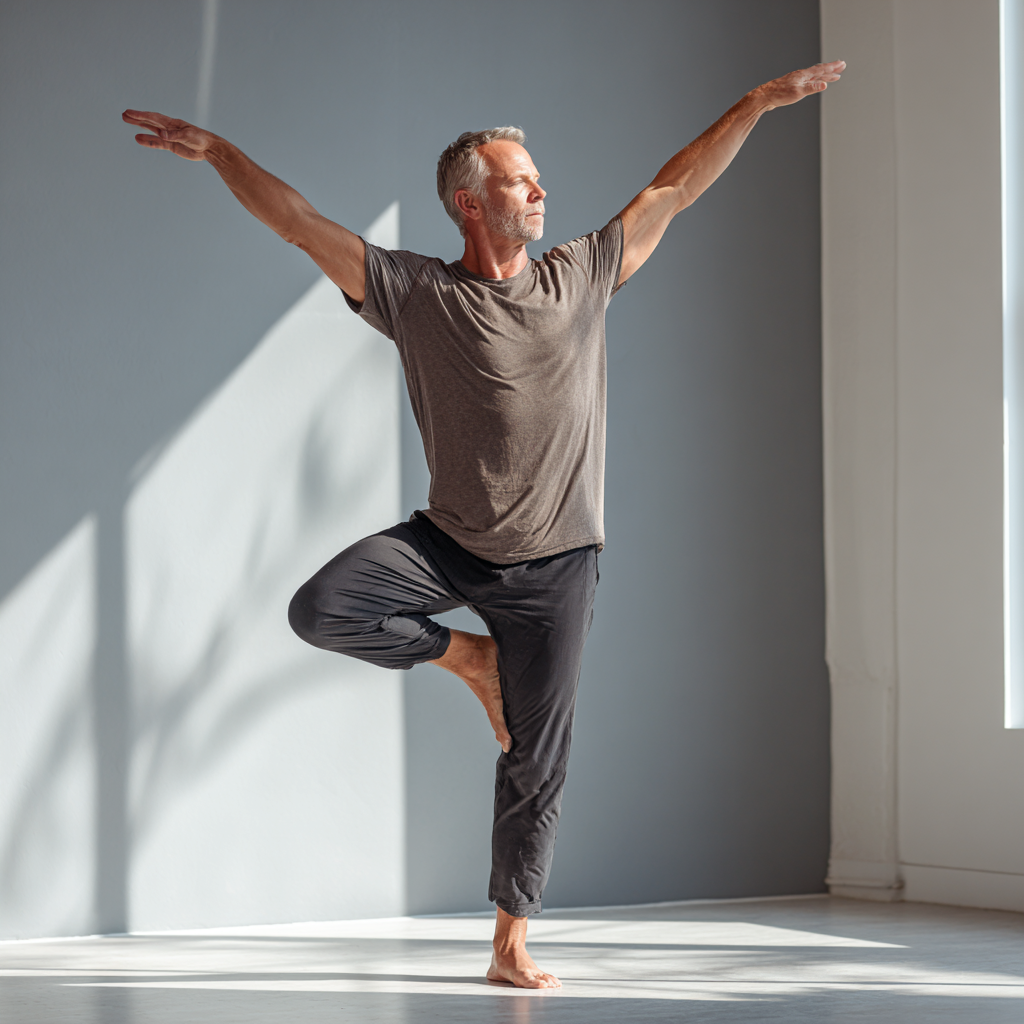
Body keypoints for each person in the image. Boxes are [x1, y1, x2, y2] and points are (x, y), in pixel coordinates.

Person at [122, 57, 843, 990]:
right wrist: (221, 152)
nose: (539, 189)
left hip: (559, 564)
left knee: (536, 760)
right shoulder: (416, 293)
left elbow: (674, 187)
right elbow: (300, 223)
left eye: (536, 177)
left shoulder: (581, 274)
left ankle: (509, 942)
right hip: (450, 544)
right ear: (469, 202)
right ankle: (471, 660)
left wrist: (757, 103)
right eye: (517, 179)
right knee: (322, 608)